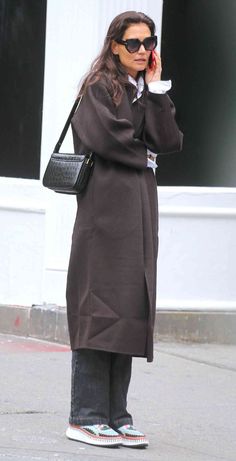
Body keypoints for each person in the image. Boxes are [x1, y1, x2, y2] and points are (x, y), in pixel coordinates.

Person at [65, 10, 183, 448]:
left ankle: (117, 414)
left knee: (128, 311)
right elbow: (107, 138)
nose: (141, 51)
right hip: (103, 216)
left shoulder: (144, 90)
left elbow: (168, 141)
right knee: (99, 309)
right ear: (114, 45)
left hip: (138, 215)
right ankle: (85, 415)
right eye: (133, 43)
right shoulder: (98, 87)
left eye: (148, 43)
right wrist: (146, 155)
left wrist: (155, 88)